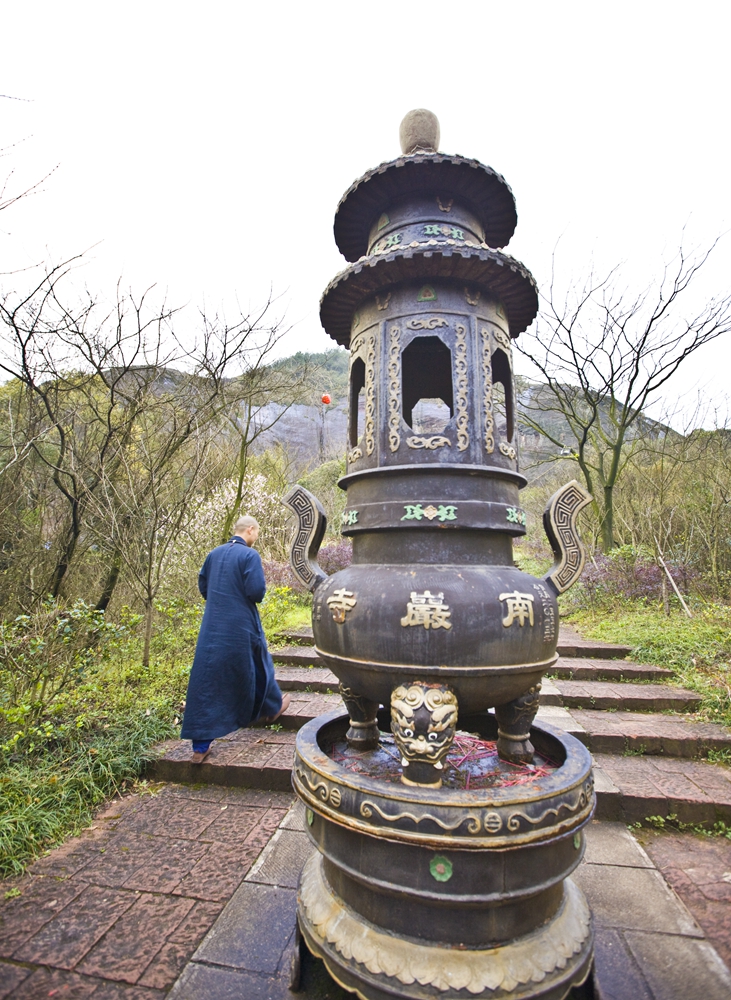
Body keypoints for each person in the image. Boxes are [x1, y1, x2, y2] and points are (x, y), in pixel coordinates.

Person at [180, 514, 290, 762]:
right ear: (250, 530)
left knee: (207, 678)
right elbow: (256, 592)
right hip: (241, 624)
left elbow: (203, 587)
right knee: (259, 663)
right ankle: (271, 708)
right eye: (257, 533)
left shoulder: (214, 553)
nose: (257, 537)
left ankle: (200, 747)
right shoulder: (250, 555)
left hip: (212, 626)